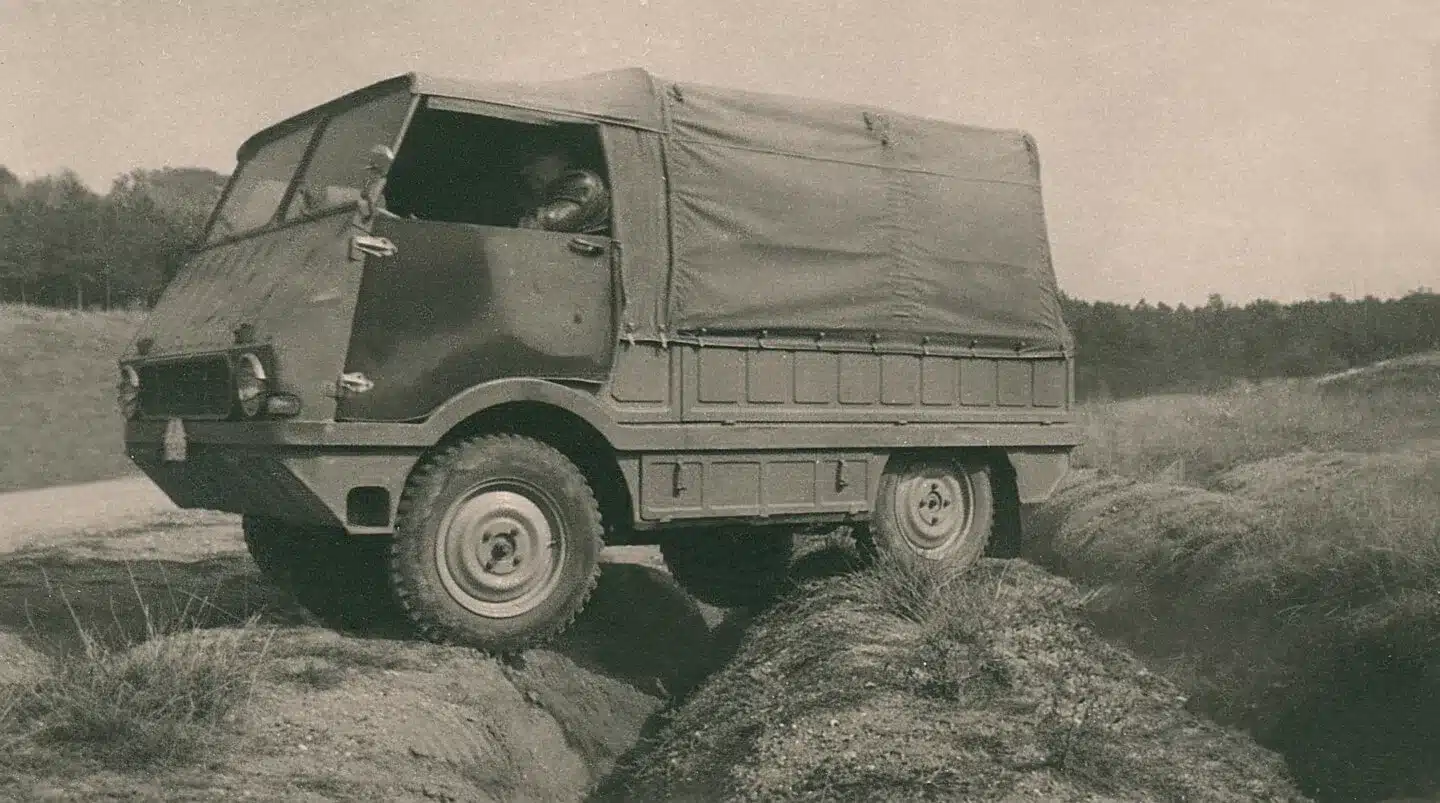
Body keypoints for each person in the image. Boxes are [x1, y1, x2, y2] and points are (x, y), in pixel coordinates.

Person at [516, 145, 610, 234]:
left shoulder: (581, 182)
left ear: (563, 158)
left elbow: (546, 223)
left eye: (531, 161)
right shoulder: (549, 194)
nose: (524, 171)